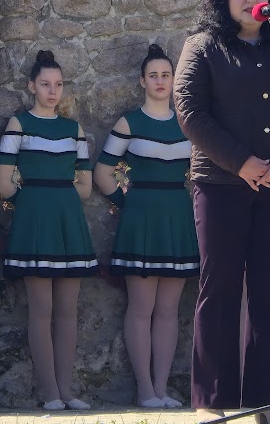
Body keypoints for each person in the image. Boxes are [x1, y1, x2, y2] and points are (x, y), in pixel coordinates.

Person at [172, 0, 270, 423]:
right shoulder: (202, 46)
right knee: (219, 289)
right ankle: (211, 401)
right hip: (220, 185)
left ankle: (266, 401)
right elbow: (190, 113)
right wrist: (242, 162)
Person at [94, 44, 197, 409]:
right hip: (140, 223)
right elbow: (102, 173)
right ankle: (144, 390)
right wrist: (129, 205)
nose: (160, 81)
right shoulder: (129, 123)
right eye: (153, 75)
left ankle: (162, 389)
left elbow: (201, 175)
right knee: (141, 307)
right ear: (142, 81)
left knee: (169, 309)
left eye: (166, 75)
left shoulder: (189, 124)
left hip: (177, 221)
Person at [0, 50, 96, 411]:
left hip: (68, 222)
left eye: (58, 85)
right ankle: (50, 393)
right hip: (33, 221)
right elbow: (2, 183)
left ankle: (67, 392)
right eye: (45, 84)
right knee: (41, 309)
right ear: (31, 86)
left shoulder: (73, 129)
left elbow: (85, 186)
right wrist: (33, 200)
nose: (52, 91)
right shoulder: (18, 124)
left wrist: (59, 199)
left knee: (68, 310)